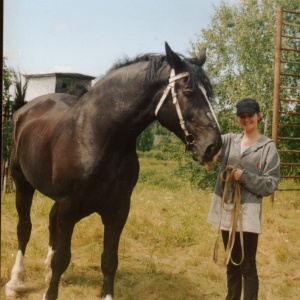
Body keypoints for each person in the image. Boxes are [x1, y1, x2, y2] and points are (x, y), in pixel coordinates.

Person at [207, 98, 280, 300]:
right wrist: (207, 157)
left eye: (250, 115)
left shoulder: (267, 148)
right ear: (237, 118)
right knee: (231, 261)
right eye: (242, 116)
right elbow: (208, 144)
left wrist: (245, 177)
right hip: (227, 209)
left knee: (247, 264)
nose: (246, 119)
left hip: (248, 213)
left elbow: (271, 184)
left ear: (258, 115)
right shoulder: (230, 140)